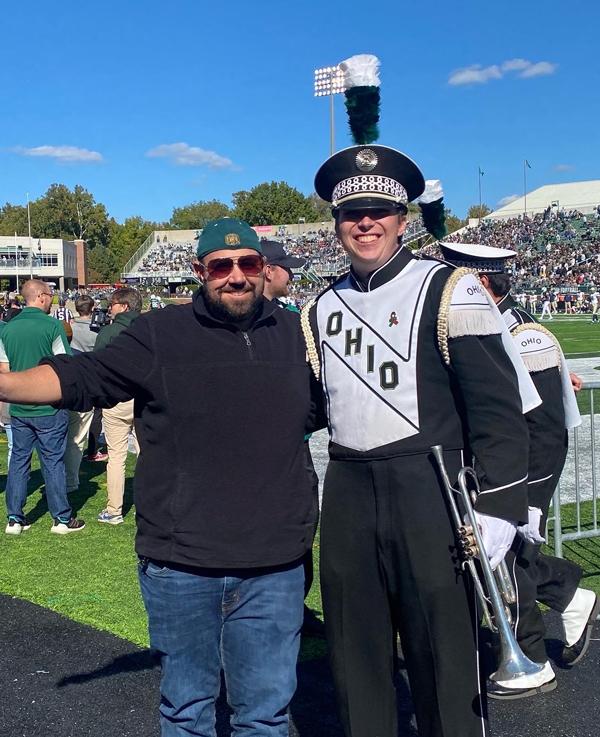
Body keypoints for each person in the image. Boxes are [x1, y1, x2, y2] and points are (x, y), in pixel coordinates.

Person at [0, 219, 323, 736]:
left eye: (248, 264)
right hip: (182, 562)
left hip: (275, 564)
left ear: (265, 269)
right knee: (187, 711)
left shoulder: (297, 334)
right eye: (221, 265)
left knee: (264, 716)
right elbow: (82, 377)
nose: (235, 276)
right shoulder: (159, 334)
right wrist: (7, 384)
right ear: (200, 271)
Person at [301, 145, 540, 737]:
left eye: (379, 210)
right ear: (336, 224)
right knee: (355, 660)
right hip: (349, 490)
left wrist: (500, 510)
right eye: (351, 211)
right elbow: (308, 408)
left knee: (445, 659)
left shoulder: (451, 289)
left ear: (402, 219)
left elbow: (499, 413)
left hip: (431, 492)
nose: (365, 222)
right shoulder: (317, 307)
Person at [439, 242, 598, 698]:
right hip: (488, 463)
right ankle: (567, 593)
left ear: (481, 283)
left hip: (520, 469)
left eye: (457, 283)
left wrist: (528, 498)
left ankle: (530, 658)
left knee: (507, 560)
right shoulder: (483, 323)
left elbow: (545, 427)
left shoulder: (523, 334)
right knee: (507, 558)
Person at [261, 240, 325, 638]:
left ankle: (292, 607)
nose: (293, 274)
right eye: (287, 267)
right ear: (268, 269)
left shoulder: (293, 316)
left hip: (293, 441)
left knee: (301, 524)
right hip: (270, 447)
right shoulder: (277, 321)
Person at [0, 280, 84, 535]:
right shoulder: (51, 325)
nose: (52, 300)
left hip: (19, 407)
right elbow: (64, 365)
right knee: (53, 461)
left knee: (18, 461)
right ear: (41, 297)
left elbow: (5, 370)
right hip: (48, 405)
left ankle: (14, 518)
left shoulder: (8, 328)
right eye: (51, 295)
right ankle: (60, 518)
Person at [94, 287, 142, 524]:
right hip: (145, 397)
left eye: (112, 304)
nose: (109, 308)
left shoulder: (109, 332)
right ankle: (152, 504)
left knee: (116, 456)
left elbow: (98, 367)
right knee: (150, 455)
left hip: (117, 398)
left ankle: (114, 510)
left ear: (123, 306)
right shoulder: (150, 328)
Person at [64, 295, 106, 495]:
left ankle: (87, 450)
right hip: (90, 375)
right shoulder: (96, 329)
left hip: (74, 377)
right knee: (94, 414)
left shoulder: (70, 327)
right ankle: (92, 450)